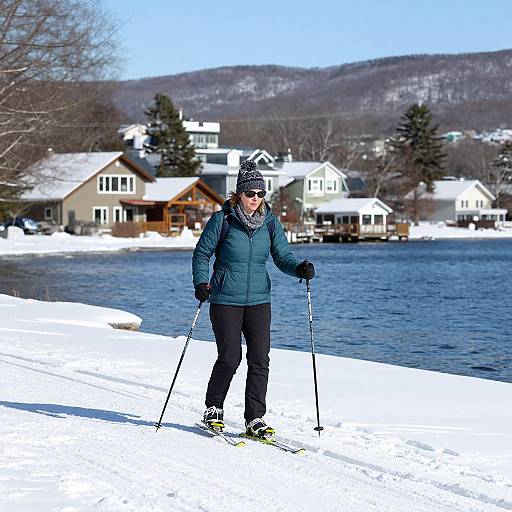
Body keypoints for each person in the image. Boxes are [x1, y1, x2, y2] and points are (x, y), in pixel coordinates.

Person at [192, 160, 315, 439]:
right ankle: (213, 407)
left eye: (260, 194)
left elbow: (282, 257)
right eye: (250, 194)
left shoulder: (270, 223)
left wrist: (299, 269)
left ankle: (254, 418)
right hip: (224, 300)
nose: (256, 199)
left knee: (260, 359)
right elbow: (201, 254)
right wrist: (201, 282)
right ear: (239, 195)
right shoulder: (221, 220)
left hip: (259, 300)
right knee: (230, 358)